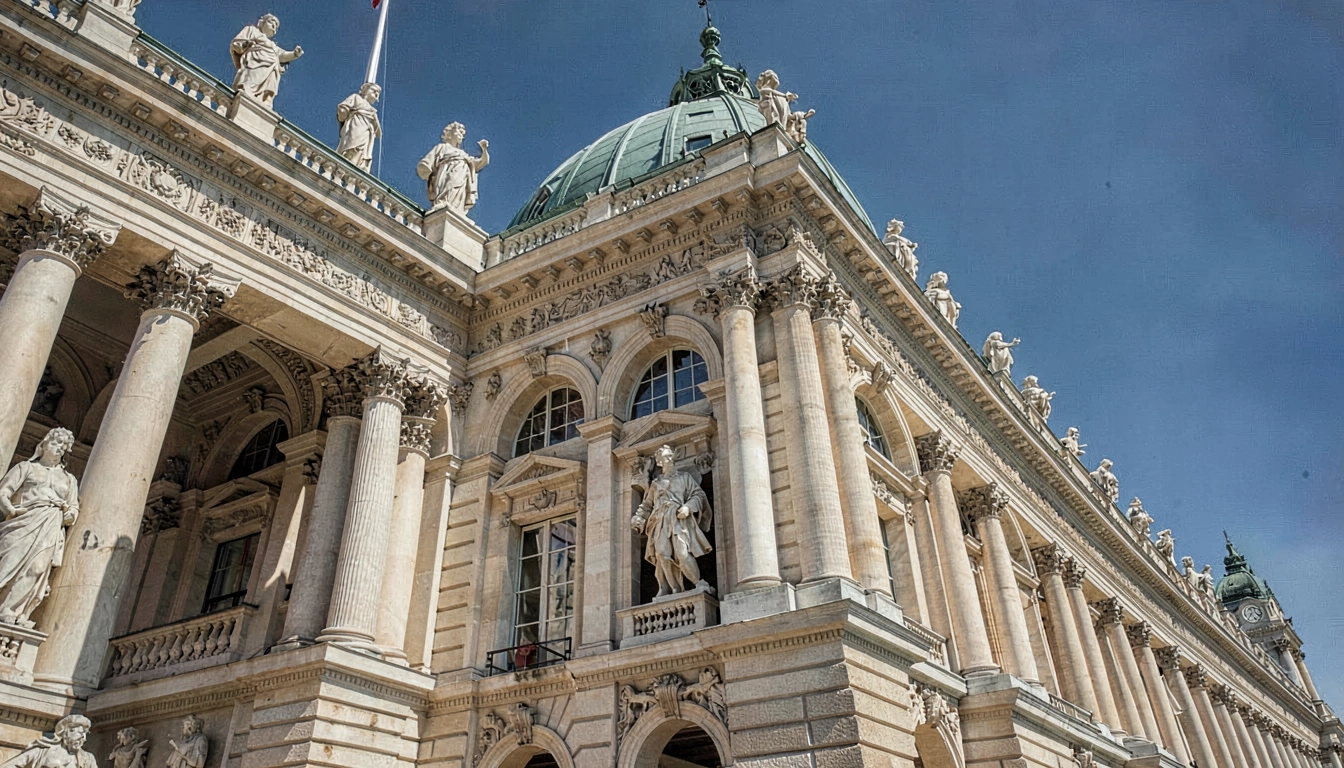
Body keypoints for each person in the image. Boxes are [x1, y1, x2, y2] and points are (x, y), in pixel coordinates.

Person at [0, 427, 79, 627]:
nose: (59, 448)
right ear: (44, 444)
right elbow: (3, 492)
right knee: (8, 563)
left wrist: (69, 514)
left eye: (64, 446)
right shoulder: (25, 468)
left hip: (51, 523)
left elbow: (73, 508)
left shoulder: (69, 479)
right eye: (56, 442)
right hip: (22, 522)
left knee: (37, 568)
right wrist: (12, 510)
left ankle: (10, 610)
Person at [631, 445, 712, 598]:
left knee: (682, 553)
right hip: (660, 521)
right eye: (665, 458)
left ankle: (699, 582)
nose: (669, 460)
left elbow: (698, 495)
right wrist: (639, 517)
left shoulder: (684, 478)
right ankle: (674, 589)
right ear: (660, 462)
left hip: (678, 519)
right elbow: (647, 505)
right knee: (661, 554)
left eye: (670, 456)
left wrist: (688, 507)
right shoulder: (656, 484)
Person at [417, 123, 490, 214]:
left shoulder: (463, 155)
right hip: (446, 173)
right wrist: (425, 168)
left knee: (456, 192)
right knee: (447, 190)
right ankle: (443, 202)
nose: (461, 135)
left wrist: (484, 149)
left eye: (462, 134)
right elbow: (427, 162)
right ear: (450, 134)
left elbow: (482, 162)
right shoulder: (442, 147)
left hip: (461, 176)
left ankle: (457, 209)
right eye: (458, 132)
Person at [231, 14, 303, 107]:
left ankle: (266, 99)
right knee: (251, 79)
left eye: (276, 27)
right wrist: (245, 45)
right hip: (255, 60)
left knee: (271, 81)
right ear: (262, 22)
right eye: (271, 22)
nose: (273, 26)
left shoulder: (273, 45)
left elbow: (282, 55)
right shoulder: (252, 30)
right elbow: (238, 42)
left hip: (272, 66)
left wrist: (294, 54)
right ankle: (247, 90)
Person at [1, 714, 97, 768]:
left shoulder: (87, 758)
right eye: (80, 733)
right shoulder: (42, 750)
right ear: (67, 731)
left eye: (85, 734)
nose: (83, 738)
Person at [336, 83, 382, 172]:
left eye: (378, 93)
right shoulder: (356, 97)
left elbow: (379, 134)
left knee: (360, 153)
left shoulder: (373, 111)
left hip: (366, 133)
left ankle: (355, 166)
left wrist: (375, 120)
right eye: (374, 90)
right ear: (365, 90)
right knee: (351, 146)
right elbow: (343, 108)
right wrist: (343, 112)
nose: (376, 93)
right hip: (356, 126)